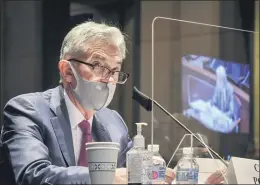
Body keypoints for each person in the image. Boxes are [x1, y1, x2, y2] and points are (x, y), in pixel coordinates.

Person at [1, 21, 175, 185]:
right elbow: (33, 175)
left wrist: (150, 171)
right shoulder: (27, 110)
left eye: (115, 70)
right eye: (98, 65)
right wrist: (104, 178)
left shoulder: (113, 122)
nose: (108, 79)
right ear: (67, 71)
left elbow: (130, 173)